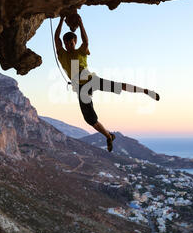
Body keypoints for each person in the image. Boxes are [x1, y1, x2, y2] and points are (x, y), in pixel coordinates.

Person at [55, 14, 159, 152]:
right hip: (81, 88)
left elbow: (86, 41)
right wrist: (61, 20)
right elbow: (56, 38)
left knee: (118, 85)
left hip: (91, 81)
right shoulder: (62, 54)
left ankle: (145, 91)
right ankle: (109, 136)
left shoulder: (81, 51)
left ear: (75, 42)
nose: (68, 46)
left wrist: (81, 24)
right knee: (90, 120)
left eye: (71, 43)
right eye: (67, 43)